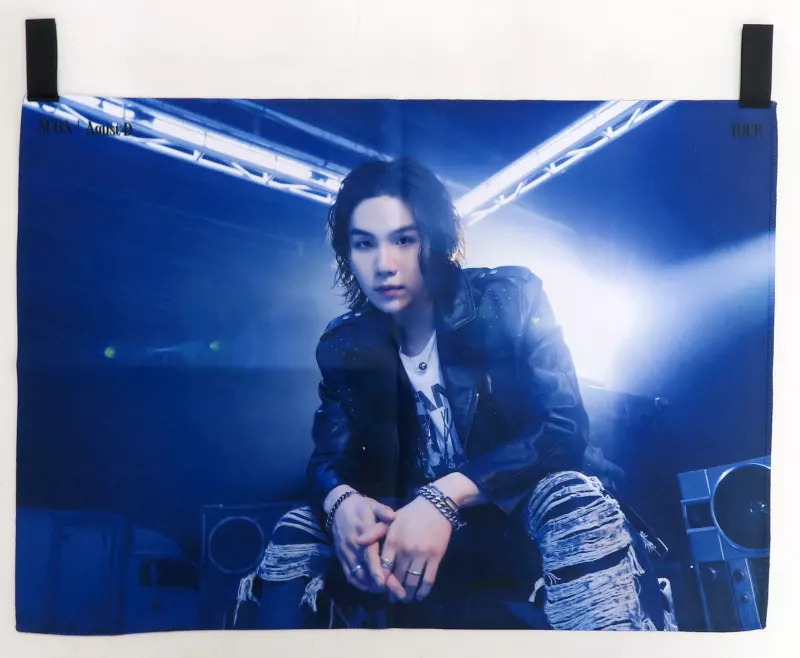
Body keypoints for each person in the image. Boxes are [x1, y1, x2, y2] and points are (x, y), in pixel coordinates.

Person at [235, 158, 675, 631]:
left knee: (568, 497)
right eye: (364, 244)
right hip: (410, 526)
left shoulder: (510, 297)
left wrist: (444, 497)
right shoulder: (346, 344)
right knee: (298, 530)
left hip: (516, 513)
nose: (384, 264)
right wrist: (341, 502)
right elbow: (327, 460)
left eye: (403, 239)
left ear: (435, 238)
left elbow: (562, 428)